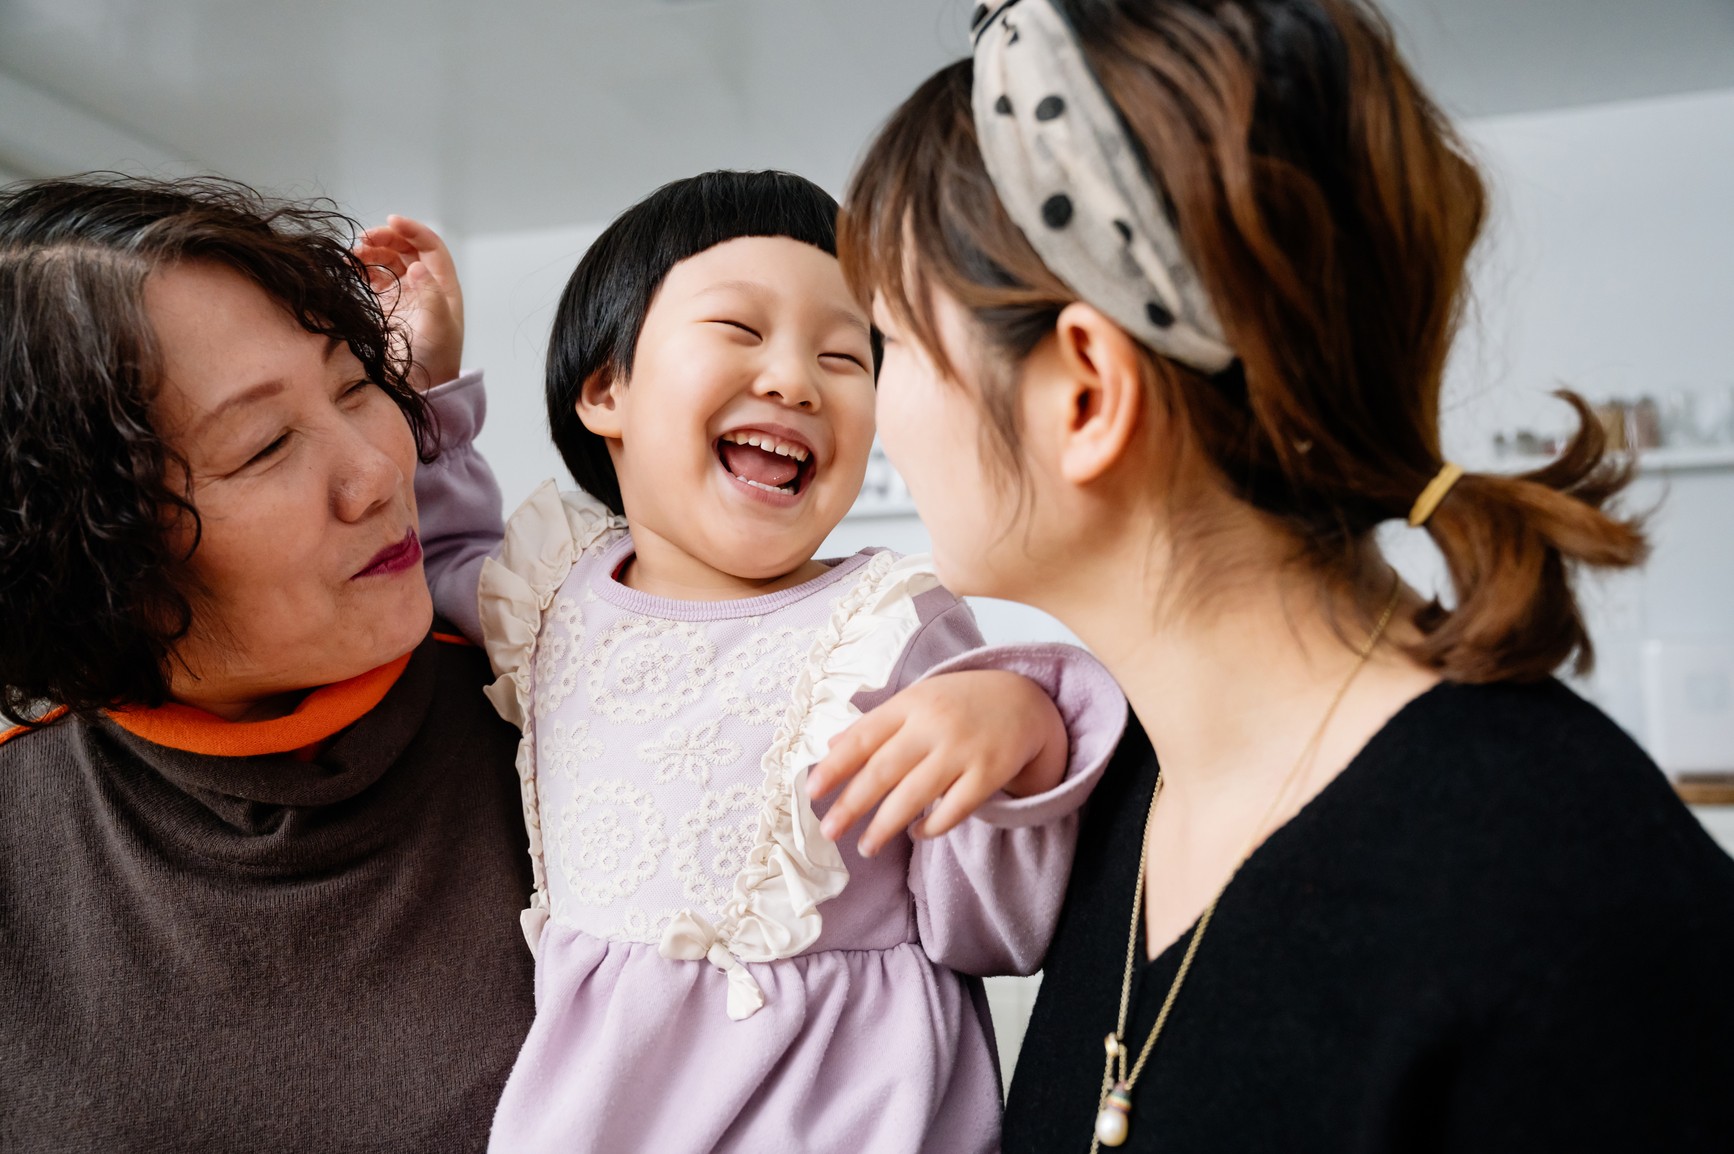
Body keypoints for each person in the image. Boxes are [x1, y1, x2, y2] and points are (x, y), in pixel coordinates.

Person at [827, 1, 1734, 1150]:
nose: (873, 403)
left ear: (1088, 396)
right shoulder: (1134, 791)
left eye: (890, 342)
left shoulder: (1566, 906)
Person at [434, 169, 1125, 1154]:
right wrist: (424, 384)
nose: (796, 380)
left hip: (845, 1116)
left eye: (846, 354)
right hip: (599, 1116)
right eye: (741, 330)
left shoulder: (888, 626)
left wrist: (1022, 724)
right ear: (605, 389)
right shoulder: (550, 592)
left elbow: (995, 931)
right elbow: (429, 557)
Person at [0, 176, 527, 1151]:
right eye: (265, 444)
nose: (380, 472)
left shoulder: (552, 719)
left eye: (357, 383)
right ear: (93, 557)